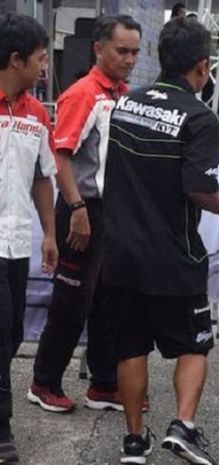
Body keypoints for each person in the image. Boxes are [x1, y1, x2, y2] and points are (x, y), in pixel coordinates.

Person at [102, 17, 219, 465]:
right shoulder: (202, 119)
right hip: (173, 256)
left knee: (131, 348)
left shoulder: (126, 104)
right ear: (204, 66)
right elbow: (197, 189)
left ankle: (134, 442)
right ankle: (184, 426)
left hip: (121, 257)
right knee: (194, 345)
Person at [28, 15, 141, 414]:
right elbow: (60, 155)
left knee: (108, 299)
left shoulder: (123, 95)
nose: (129, 59)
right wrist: (76, 208)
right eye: (121, 51)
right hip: (82, 209)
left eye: (134, 52)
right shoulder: (84, 93)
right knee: (72, 301)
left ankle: (105, 384)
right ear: (98, 49)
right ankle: (44, 382)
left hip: (111, 213)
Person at [0, 13, 58, 463]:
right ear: (15, 59)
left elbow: (43, 178)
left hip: (17, 241)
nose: (44, 68)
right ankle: (2, 428)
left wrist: (49, 232)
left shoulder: (37, 113)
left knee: (15, 330)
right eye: (40, 59)